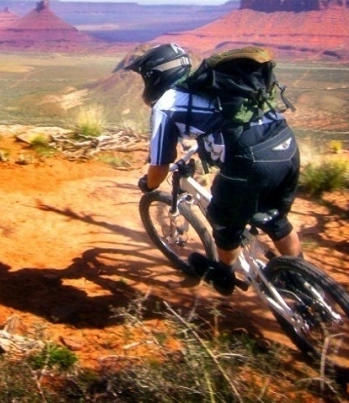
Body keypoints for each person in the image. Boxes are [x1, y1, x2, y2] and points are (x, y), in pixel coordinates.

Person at [126, 43, 303, 296]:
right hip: (286, 146)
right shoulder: (216, 87)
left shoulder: (166, 103)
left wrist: (149, 185)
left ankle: (224, 275)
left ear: (154, 76)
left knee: (223, 219)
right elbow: (220, 127)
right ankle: (303, 282)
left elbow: (159, 164)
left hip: (251, 161)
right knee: (276, 219)